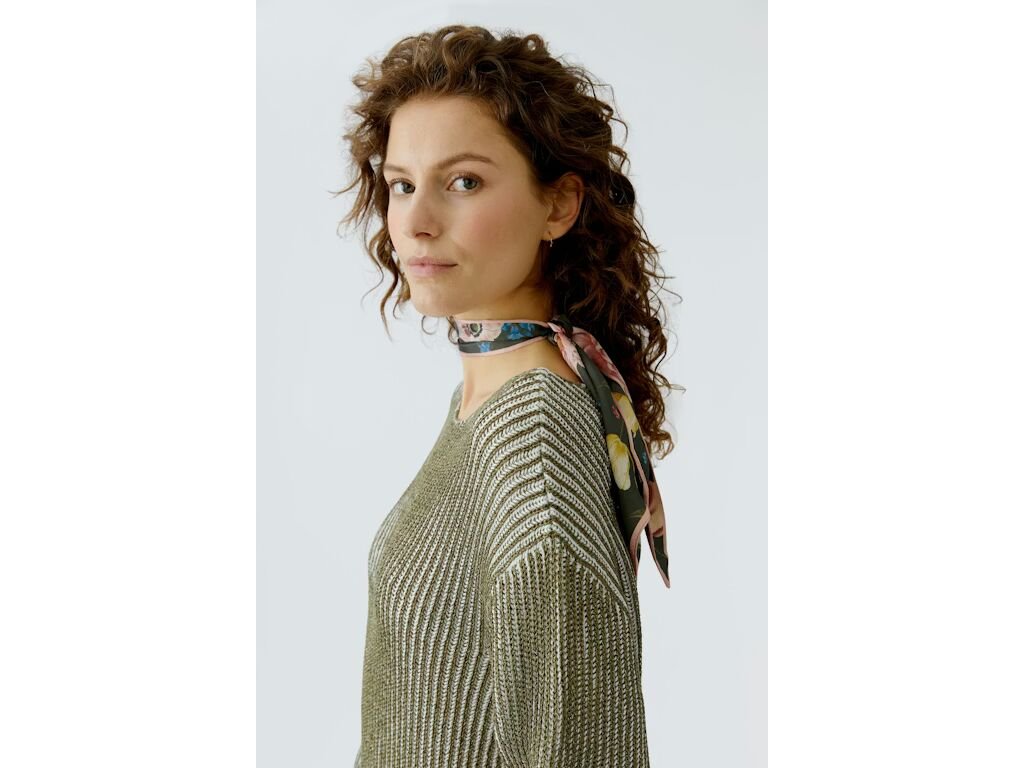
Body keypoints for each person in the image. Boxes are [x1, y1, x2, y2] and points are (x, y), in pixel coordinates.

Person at [335, 23, 684, 768]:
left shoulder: (533, 431)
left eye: (463, 182)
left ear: (558, 205)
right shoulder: (488, 400)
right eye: (402, 185)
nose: (415, 222)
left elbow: (577, 748)